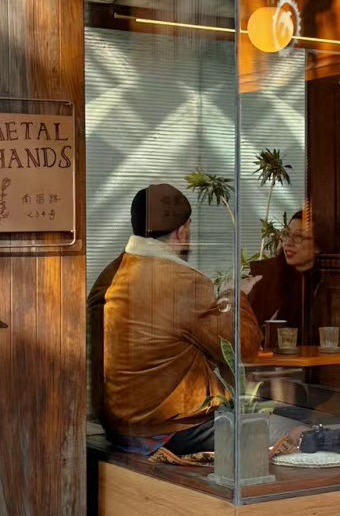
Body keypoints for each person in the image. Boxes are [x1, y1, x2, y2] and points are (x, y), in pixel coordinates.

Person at [89, 183, 261, 454]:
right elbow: (241, 349)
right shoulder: (183, 281)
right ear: (182, 231)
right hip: (170, 430)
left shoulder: (109, 276)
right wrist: (234, 295)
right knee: (291, 430)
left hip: (118, 428)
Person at [246, 209, 325, 337]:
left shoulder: (328, 284)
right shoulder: (263, 276)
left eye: (298, 237)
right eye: (287, 234)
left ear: (317, 246)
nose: (288, 243)